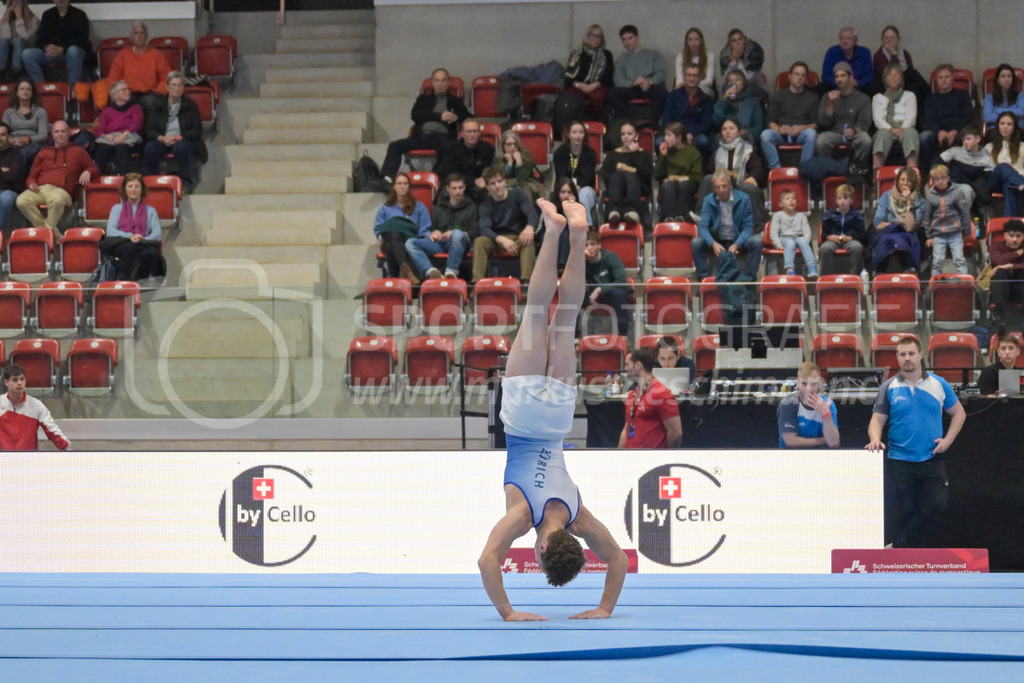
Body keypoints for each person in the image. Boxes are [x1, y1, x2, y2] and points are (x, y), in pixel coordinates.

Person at [478, 196, 627, 621]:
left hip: (558, 415)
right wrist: (508, 612)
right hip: (524, 415)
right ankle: (553, 228)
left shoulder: (579, 517)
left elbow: (617, 560)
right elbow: (487, 560)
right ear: (544, 548)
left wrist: (604, 607)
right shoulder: (522, 514)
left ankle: (576, 232)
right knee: (539, 312)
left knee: (565, 317)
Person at [866, 336, 966, 548]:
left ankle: (898, 548)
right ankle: (906, 562)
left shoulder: (939, 384)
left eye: (911, 353)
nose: (907, 358)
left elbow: (959, 413)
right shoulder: (888, 387)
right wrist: (875, 438)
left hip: (932, 459)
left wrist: (948, 440)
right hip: (899, 460)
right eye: (902, 354)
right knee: (907, 511)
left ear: (921, 355)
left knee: (937, 506)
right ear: (897, 357)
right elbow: (877, 419)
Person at [380, 68, 470, 181]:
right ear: (432, 83)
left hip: (442, 137)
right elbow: (415, 115)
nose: (440, 84)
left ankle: (435, 179)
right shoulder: (423, 99)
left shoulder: (455, 101)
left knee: (451, 149)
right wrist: (439, 116)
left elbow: (468, 117)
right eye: (437, 80)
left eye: (443, 80)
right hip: (421, 136)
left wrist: (456, 117)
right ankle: (387, 179)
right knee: (394, 145)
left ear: (448, 83)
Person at [16, 119, 97, 235]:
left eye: (63, 131)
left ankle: (45, 233)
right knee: (21, 200)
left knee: (57, 200)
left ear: (69, 133)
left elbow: (94, 168)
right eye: (57, 132)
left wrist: (88, 172)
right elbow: (32, 176)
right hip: (41, 189)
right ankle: (50, 232)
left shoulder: (78, 151)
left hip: (62, 191)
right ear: (52, 134)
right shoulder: (44, 152)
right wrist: (31, 184)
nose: (60, 134)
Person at [694, 117, 767, 227]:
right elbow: (709, 170)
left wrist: (753, 177)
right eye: (724, 129)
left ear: (739, 132)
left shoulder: (748, 149)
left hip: (739, 184)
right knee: (708, 179)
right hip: (722, 185)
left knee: (749, 187)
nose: (727, 131)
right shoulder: (718, 151)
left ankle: (759, 225)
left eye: (731, 128)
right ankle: (701, 215)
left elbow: (757, 169)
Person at [143, 71, 207, 195]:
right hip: (164, 139)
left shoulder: (191, 105)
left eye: (180, 85)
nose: (177, 88)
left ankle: (186, 182)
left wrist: (179, 137)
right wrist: (162, 138)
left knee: (181, 148)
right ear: (167, 87)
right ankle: (152, 182)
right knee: (150, 148)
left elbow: (197, 130)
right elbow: (148, 129)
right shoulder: (157, 105)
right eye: (173, 85)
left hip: (183, 139)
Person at [472, 165, 537, 283]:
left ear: (505, 181)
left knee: (528, 241)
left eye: (500, 181)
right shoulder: (485, 205)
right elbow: (484, 228)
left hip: (518, 238)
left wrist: (529, 227)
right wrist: (501, 239)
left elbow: (531, 213)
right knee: (479, 241)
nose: (497, 186)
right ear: (487, 186)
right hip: (497, 240)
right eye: (493, 183)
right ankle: (477, 283)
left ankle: (526, 283)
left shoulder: (517, 195)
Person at [693, 168, 761, 281]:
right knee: (696, 243)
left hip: (737, 238)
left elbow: (748, 228)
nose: (721, 190)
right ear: (713, 188)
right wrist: (713, 243)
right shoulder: (708, 200)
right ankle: (703, 280)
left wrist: (737, 244)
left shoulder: (744, 199)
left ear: (730, 186)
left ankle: (750, 279)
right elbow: (703, 228)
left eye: (724, 186)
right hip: (718, 239)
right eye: (718, 187)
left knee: (757, 241)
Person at [405, 172, 476, 280]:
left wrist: (454, 233)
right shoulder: (439, 208)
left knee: (457, 234)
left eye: (460, 188)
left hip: (462, 244)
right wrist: (434, 233)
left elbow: (475, 232)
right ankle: (430, 270)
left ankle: (451, 271)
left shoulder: (472, 207)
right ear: (448, 189)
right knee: (410, 242)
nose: (457, 191)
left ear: (465, 187)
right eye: (454, 188)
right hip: (442, 243)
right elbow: (432, 229)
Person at [94, 21, 170, 108]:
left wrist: (158, 91)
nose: (139, 36)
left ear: (146, 36)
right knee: (123, 101)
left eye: (142, 33)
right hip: (128, 93)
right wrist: (119, 93)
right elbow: (113, 79)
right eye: (136, 33)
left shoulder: (157, 55)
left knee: (149, 102)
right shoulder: (123, 54)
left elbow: (166, 79)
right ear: (132, 37)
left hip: (150, 94)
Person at [374, 172, 432, 285]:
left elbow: (425, 229)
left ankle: (394, 280)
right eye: (399, 183)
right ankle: (406, 271)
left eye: (405, 183)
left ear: (409, 187)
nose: (402, 186)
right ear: (394, 187)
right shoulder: (385, 208)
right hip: (390, 241)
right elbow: (379, 230)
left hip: (410, 242)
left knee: (392, 238)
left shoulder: (419, 206)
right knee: (393, 236)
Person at [619, 346, 682, 449]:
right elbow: (626, 429)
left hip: (652, 459)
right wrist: (618, 454)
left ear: (638, 365)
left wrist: (667, 457)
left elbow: (676, 433)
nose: (625, 368)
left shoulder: (661, 393)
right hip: (631, 457)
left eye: (627, 364)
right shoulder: (632, 394)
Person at [103, 172, 162, 281]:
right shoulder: (117, 209)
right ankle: (123, 279)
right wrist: (129, 236)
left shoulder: (150, 210)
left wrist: (143, 238)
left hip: (142, 242)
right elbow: (110, 230)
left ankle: (140, 280)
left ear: (141, 189)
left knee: (152, 253)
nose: (133, 189)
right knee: (130, 248)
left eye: (137, 186)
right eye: (130, 186)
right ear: (125, 189)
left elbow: (157, 233)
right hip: (122, 242)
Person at [816, 61, 872, 173]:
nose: (839, 79)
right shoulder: (828, 96)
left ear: (850, 77)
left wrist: (854, 131)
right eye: (836, 76)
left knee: (866, 139)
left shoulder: (863, 98)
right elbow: (824, 122)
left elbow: (864, 124)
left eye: (842, 76)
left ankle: (857, 168)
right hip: (835, 133)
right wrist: (831, 104)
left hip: (854, 134)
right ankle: (829, 169)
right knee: (821, 140)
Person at [21, 0, 90, 91]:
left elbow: (82, 40)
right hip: (51, 53)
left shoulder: (79, 15)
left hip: (71, 53)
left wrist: (62, 49)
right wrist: (47, 48)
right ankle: (42, 90)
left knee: (74, 51)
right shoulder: (47, 15)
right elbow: (41, 39)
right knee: (27, 54)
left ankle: (73, 90)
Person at [761, 61, 819, 168]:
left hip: (802, 133)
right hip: (782, 133)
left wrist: (803, 128)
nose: (799, 77)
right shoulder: (778, 96)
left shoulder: (813, 98)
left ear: (806, 79)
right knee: (765, 135)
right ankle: (776, 169)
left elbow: (815, 124)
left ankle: (805, 168)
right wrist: (779, 129)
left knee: (811, 134)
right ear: (790, 76)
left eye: (803, 75)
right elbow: (770, 121)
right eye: (796, 74)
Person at [0, 363, 69, 450]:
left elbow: (53, 431)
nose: (19, 383)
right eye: (15, 380)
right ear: (6, 382)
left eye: (22, 379)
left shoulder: (36, 405)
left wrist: (68, 450)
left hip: (30, 460)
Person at [920, 64, 976, 171]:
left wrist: (955, 131)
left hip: (959, 130)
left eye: (947, 77)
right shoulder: (930, 99)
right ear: (936, 80)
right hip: (938, 131)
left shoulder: (962, 95)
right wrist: (939, 131)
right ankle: (934, 168)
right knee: (924, 137)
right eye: (940, 78)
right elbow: (929, 119)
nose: (943, 80)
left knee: (968, 136)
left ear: (953, 78)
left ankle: (963, 168)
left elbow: (968, 117)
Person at [607, 24, 667, 122]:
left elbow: (661, 73)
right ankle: (627, 123)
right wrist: (633, 83)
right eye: (624, 40)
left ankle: (651, 123)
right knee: (613, 94)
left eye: (630, 38)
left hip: (649, 86)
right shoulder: (621, 60)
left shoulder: (653, 54)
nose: (627, 42)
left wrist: (649, 81)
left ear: (637, 37)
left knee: (663, 93)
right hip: (631, 88)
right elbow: (618, 80)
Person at [921, 164, 972, 276]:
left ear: (948, 178)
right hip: (938, 233)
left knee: (959, 259)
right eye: (937, 179)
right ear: (933, 181)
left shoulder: (957, 192)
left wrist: (967, 231)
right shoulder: (930, 195)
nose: (940, 181)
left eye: (943, 178)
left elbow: (964, 212)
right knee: (937, 260)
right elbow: (927, 216)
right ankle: (935, 284)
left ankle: (964, 282)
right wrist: (928, 236)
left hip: (955, 232)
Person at [872, 166, 924, 274]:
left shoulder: (919, 201)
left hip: (907, 234)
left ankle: (909, 270)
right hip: (889, 231)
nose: (904, 183)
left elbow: (910, 227)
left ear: (913, 183)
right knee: (884, 239)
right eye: (902, 180)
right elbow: (878, 223)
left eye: (909, 181)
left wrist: (909, 202)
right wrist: (894, 224)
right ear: (897, 181)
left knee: (905, 239)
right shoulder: (886, 196)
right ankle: (879, 272)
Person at [600, 121, 652, 225]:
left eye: (629, 134)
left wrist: (634, 156)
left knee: (629, 175)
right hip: (616, 188)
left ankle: (632, 210)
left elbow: (646, 174)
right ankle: (614, 211)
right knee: (618, 174)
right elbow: (605, 174)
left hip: (638, 188)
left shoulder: (643, 154)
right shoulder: (613, 154)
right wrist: (621, 175)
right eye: (623, 134)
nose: (626, 137)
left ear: (636, 135)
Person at [777, 362, 839, 448]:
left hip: (821, 458)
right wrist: (822, 441)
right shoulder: (787, 404)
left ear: (820, 383)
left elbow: (833, 443)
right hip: (792, 458)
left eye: (813, 384)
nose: (808, 389)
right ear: (797, 383)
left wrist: (826, 414)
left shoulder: (828, 404)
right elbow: (790, 441)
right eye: (804, 384)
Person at [661, 63, 715, 161]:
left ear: (700, 78)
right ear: (684, 77)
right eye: (689, 75)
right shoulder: (673, 95)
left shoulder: (706, 99)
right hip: (674, 133)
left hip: (695, 135)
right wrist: (674, 134)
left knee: (703, 141)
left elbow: (707, 124)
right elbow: (666, 117)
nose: (691, 78)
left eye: (695, 75)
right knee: (658, 142)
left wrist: (691, 134)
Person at [939, 124, 997, 215]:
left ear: (978, 139)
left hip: (972, 190)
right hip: (952, 184)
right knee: (965, 190)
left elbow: (989, 181)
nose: (965, 142)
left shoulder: (986, 158)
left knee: (969, 190)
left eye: (968, 139)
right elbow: (936, 164)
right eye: (963, 139)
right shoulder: (955, 151)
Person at [582, 229, 630, 336]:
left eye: (593, 244)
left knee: (617, 294)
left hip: (615, 292)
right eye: (586, 245)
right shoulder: (583, 262)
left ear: (599, 245)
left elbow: (622, 281)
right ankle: (574, 338)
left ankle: (623, 335)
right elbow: (574, 281)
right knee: (574, 297)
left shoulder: (610, 257)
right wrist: (580, 260)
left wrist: (599, 289)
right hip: (597, 295)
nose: (589, 248)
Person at [561, 24, 613, 122]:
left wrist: (593, 86)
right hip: (579, 86)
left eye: (599, 36)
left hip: (597, 86)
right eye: (593, 35)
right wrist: (578, 85)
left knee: (597, 98)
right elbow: (568, 76)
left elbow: (608, 75)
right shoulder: (576, 54)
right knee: (569, 97)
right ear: (588, 36)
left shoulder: (606, 54)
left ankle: (596, 125)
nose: (596, 39)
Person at [871, 65, 919, 170]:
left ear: (901, 78)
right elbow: (878, 119)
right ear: (885, 79)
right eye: (890, 75)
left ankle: (913, 172)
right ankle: (877, 173)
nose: (893, 77)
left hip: (905, 128)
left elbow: (912, 117)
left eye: (896, 74)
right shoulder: (878, 97)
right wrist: (890, 129)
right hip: (885, 128)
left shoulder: (909, 95)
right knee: (883, 135)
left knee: (911, 133)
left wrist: (902, 129)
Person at [92, 79, 143, 176]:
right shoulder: (107, 111)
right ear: (115, 95)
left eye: (128, 89)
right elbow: (100, 129)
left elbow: (137, 125)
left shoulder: (135, 108)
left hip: (130, 138)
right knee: (102, 150)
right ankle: (101, 179)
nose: (128, 92)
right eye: (124, 90)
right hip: (112, 139)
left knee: (122, 148)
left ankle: (123, 180)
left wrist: (124, 135)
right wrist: (106, 136)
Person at [433, 118, 494, 198]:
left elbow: (488, 170)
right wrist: (473, 181)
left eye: (475, 131)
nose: (472, 134)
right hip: (457, 186)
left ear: (479, 133)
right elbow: (451, 174)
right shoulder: (451, 149)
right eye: (468, 131)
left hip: (480, 187)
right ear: (462, 133)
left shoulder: (488, 148)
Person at [552, 121, 598, 225]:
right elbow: (560, 174)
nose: (578, 136)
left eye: (581, 132)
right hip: (566, 188)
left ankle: (586, 226)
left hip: (585, 188)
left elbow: (589, 175)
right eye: (574, 132)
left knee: (582, 196)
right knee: (564, 196)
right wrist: (571, 188)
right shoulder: (559, 153)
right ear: (568, 134)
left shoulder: (590, 153)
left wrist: (578, 186)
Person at [654, 122, 701, 221]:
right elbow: (657, 176)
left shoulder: (693, 153)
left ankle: (683, 217)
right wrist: (663, 156)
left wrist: (677, 178)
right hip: (669, 184)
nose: (665, 138)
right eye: (665, 135)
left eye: (669, 135)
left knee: (683, 185)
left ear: (679, 137)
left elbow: (697, 177)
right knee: (667, 186)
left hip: (688, 184)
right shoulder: (666, 151)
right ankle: (668, 218)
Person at [819, 183, 867, 276]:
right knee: (825, 248)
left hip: (850, 240)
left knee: (856, 247)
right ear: (836, 200)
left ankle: (854, 275)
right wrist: (829, 237)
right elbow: (824, 233)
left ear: (851, 200)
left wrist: (851, 238)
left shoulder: (856, 215)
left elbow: (861, 234)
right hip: (833, 241)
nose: (843, 201)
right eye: (840, 198)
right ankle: (827, 277)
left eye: (846, 198)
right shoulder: (829, 214)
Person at [770, 188, 818, 279]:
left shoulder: (801, 216)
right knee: (790, 243)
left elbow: (807, 231)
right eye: (787, 199)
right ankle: (789, 269)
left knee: (803, 241)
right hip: (784, 238)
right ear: (781, 204)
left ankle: (811, 266)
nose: (791, 200)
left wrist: (805, 242)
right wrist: (778, 244)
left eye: (793, 198)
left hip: (798, 237)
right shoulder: (778, 215)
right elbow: (773, 232)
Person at [984, 112, 1024, 217]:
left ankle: (1010, 226)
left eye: (1009, 124)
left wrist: (1014, 172)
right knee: (1002, 166)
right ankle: (1020, 183)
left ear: (1014, 127)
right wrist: (1007, 169)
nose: (1005, 127)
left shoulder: (1022, 147)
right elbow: (986, 170)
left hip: (1015, 182)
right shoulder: (989, 147)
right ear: (998, 126)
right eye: (1002, 124)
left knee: (1009, 187)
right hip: (995, 181)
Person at [987, 219, 1024, 330]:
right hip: (1002, 289)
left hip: (1020, 288)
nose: (1014, 239)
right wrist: (1019, 252)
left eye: (1018, 236)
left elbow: (1005, 264)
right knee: (1001, 272)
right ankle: (999, 318)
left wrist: (1011, 266)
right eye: (1011, 236)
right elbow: (999, 261)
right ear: (1005, 235)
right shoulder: (995, 246)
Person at [2, 77, 47, 165]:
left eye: (28, 89)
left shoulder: (40, 111)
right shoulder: (8, 112)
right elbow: (3, 132)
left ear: (32, 93)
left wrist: (26, 139)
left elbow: (43, 135)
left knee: (25, 152)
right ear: (17, 92)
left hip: (32, 144)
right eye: (22, 89)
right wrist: (10, 140)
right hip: (13, 143)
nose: (25, 92)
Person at [712, 68, 763, 143]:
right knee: (717, 138)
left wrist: (747, 131)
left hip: (746, 134)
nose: (734, 83)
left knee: (749, 138)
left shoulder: (752, 101)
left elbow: (759, 126)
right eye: (730, 81)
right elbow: (716, 120)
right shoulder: (725, 99)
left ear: (743, 83)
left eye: (737, 80)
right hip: (727, 133)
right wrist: (724, 99)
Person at [821, 26, 872, 92]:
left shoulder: (864, 53)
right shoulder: (832, 52)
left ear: (855, 41)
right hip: (836, 86)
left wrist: (858, 83)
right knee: (821, 87)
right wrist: (840, 82)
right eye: (842, 38)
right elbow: (826, 75)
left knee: (873, 87)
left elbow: (869, 75)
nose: (845, 41)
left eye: (848, 38)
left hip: (858, 87)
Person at [717, 28, 765, 97]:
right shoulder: (725, 54)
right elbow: (725, 77)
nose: (737, 43)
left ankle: (737, 105)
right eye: (734, 41)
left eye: (740, 39)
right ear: (730, 44)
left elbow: (748, 79)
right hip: (733, 85)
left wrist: (738, 60)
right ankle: (726, 106)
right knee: (725, 91)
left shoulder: (754, 51)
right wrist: (733, 61)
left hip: (755, 85)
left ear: (745, 40)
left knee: (744, 91)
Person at [497, 129, 542, 201]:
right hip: (506, 186)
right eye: (509, 144)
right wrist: (509, 164)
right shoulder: (498, 159)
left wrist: (519, 163)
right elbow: (500, 178)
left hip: (524, 185)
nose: (512, 147)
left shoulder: (526, 157)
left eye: (515, 144)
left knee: (524, 189)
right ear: (503, 146)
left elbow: (523, 180)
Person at [0, 0, 38, 81]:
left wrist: (19, 18)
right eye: (14, 2)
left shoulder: (33, 19)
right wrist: (6, 20)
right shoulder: (4, 19)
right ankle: (1, 70)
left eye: (19, 2)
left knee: (18, 40)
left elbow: (26, 37)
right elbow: (5, 37)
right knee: (3, 41)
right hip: (10, 49)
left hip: (27, 46)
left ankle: (16, 71)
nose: (16, 5)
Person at [674, 27, 716, 97]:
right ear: (686, 42)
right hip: (684, 89)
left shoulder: (710, 57)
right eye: (690, 40)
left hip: (703, 89)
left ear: (701, 41)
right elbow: (679, 82)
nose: (693, 43)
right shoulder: (680, 57)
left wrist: (692, 85)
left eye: (696, 39)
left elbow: (709, 81)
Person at [0, 123, 26, 230]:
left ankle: (0, 232)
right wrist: (3, 171)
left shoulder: (16, 154)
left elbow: (13, 176)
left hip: (10, 191)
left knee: (5, 199)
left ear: (9, 136)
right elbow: (8, 175)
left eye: (2, 135)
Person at [982, 64, 1024, 129]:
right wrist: (1012, 114)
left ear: (1013, 80)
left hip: (1016, 129)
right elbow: (988, 117)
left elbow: (1021, 112)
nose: (1006, 79)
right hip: (995, 130)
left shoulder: (1020, 96)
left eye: (1009, 76)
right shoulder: (989, 97)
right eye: (1003, 76)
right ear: (998, 80)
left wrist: (996, 110)